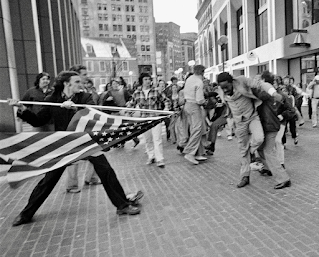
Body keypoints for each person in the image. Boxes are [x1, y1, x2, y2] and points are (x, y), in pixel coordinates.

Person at [8, 71, 142, 226]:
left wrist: (74, 110)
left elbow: (93, 114)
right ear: (66, 83)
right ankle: (26, 214)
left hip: (86, 142)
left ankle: (122, 205)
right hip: (66, 144)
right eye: (77, 81)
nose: (81, 84)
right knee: (48, 180)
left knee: (106, 171)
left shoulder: (84, 98)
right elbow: (38, 121)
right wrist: (21, 108)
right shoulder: (52, 100)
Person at [217, 72, 283, 188]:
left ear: (232, 81)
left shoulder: (241, 81)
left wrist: (274, 93)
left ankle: (252, 151)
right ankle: (245, 176)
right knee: (242, 150)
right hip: (239, 122)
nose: (225, 90)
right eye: (222, 88)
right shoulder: (221, 89)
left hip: (252, 116)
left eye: (227, 86)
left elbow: (261, 84)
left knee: (259, 138)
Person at [255, 71, 295, 189]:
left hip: (272, 126)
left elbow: (292, 111)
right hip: (266, 125)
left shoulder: (273, 95)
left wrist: (282, 115)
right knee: (261, 148)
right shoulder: (269, 94)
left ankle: (283, 178)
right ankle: (269, 168)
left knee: (268, 150)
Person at [67, 65, 100, 192]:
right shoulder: (67, 93)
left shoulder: (87, 91)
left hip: (88, 126)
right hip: (73, 129)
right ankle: (72, 184)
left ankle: (91, 178)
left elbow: (92, 107)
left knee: (95, 151)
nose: (87, 76)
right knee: (73, 157)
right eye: (84, 74)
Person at [127, 73, 170, 168]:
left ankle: (160, 159)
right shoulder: (137, 92)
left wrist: (166, 109)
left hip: (155, 119)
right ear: (141, 81)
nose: (148, 81)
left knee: (157, 139)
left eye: (149, 79)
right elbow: (131, 104)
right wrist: (128, 111)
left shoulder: (156, 91)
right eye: (145, 79)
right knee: (148, 139)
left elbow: (166, 100)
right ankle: (151, 156)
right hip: (144, 120)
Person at [182, 65, 207, 165]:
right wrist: (205, 102)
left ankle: (198, 152)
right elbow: (199, 99)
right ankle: (190, 152)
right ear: (202, 72)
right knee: (197, 129)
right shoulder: (199, 82)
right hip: (194, 106)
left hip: (187, 105)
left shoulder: (189, 79)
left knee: (194, 129)